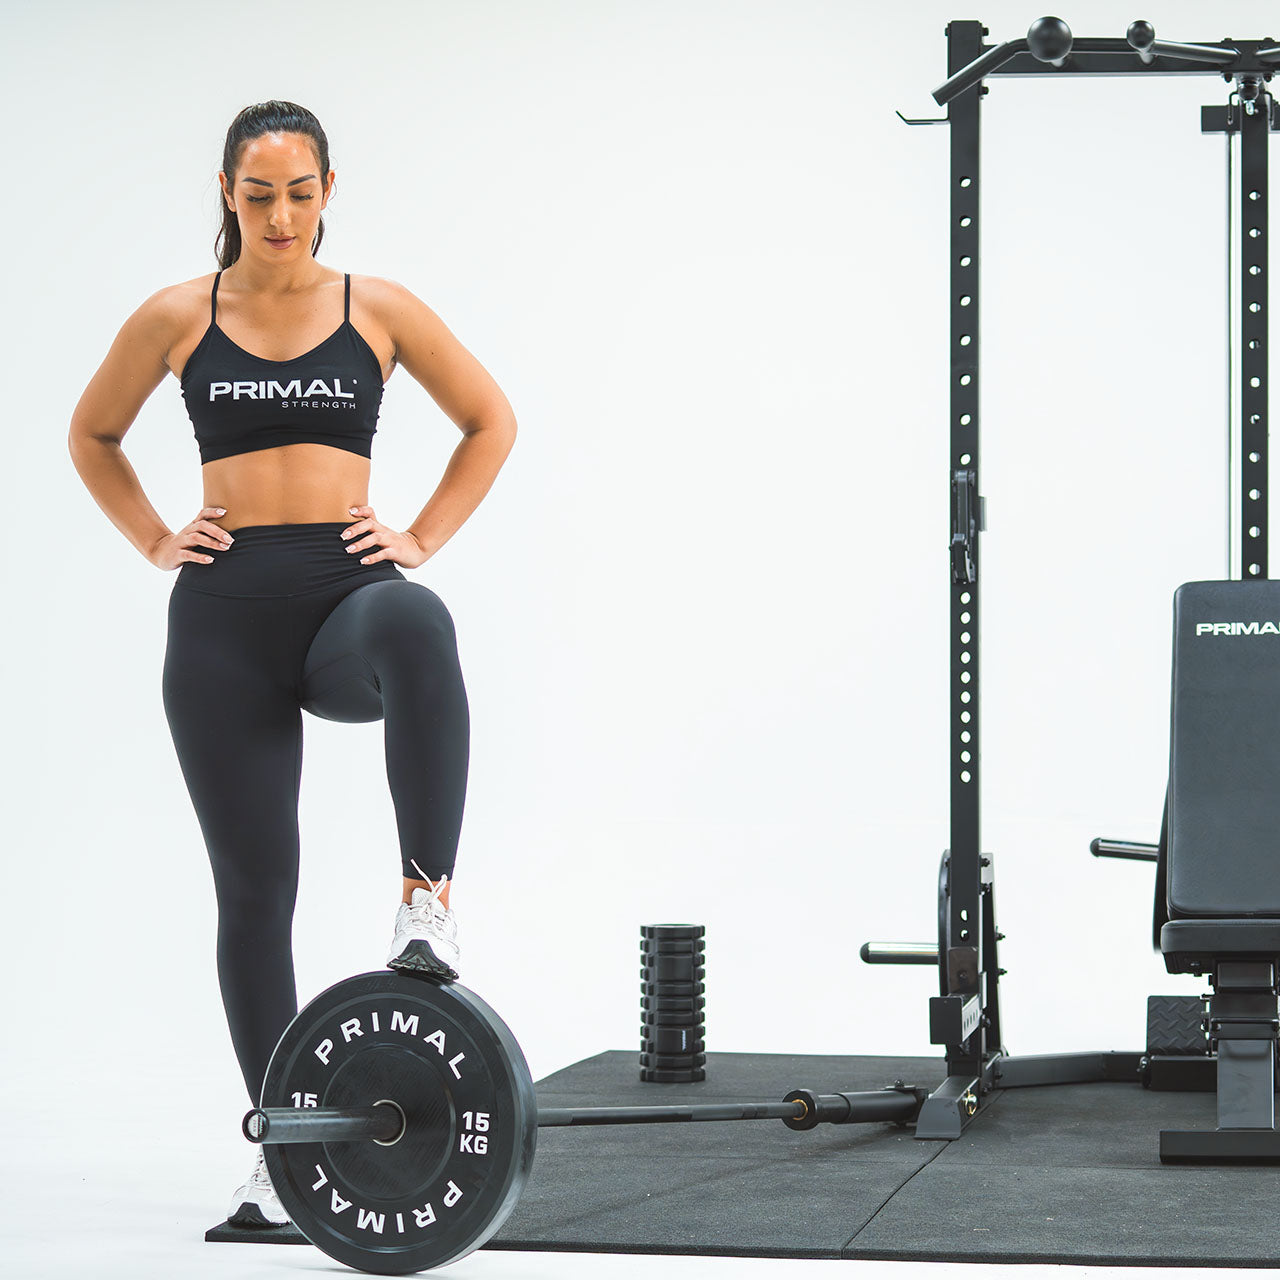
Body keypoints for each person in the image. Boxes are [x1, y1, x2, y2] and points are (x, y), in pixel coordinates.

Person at [66, 100, 517, 1228]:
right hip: (220, 617)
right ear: (226, 189)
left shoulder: (378, 310)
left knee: (417, 621)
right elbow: (92, 433)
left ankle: (426, 902)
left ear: (328, 189)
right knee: (256, 892)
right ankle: (285, 1151)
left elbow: (488, 420)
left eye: (299, 192)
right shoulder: (177, 315)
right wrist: (154, 536)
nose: (279, 215)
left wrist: (415, 535)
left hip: (339, 598)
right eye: (257, 192)